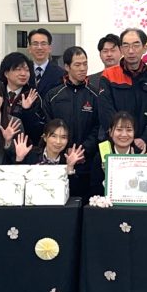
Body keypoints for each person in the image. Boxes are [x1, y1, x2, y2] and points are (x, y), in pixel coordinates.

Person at [43, 46, 100, 200]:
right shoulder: (53, 95)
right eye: (77, 65)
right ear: (67, 67)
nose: (83, 68)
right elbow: (48, 126)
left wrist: (83, 150)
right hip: (58, 163)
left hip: (87, 163)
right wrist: (64, 148)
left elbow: (99, 127)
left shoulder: (95, 95)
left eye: (85, 64)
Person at [98, 28, 147, 151]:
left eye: (136, 45)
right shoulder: (108, 75)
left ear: (145, 48)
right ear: (121, 49)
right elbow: (105, 111)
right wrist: (124, 136)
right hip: (115, 145)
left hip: (145, 146)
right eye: (126, 46)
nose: (131, 51)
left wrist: (145, 138)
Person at [90, 111, 147, 196]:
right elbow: (95, 190)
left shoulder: (141, 155)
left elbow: (146, 192)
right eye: (119, 130)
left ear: (134, 133)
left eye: (129, 130)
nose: (124, 134)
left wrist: (141, 167)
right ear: (111, 132)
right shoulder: (102, 156)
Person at [0, 52, 46, 145]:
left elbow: (38, 131)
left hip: (23, 147)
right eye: (18, 69)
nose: (23, 74)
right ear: (6, 73)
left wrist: (27, 111)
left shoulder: (33, 96)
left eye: (27, 70)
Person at [13, 119, 85, 173]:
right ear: (45, 137)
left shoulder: (69, 158)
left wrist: (70, 166)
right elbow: (17, 180)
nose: (58, 141)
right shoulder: (31, 154)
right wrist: (19, 159)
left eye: (63, 137)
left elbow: (73, 188)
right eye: (54, 136)